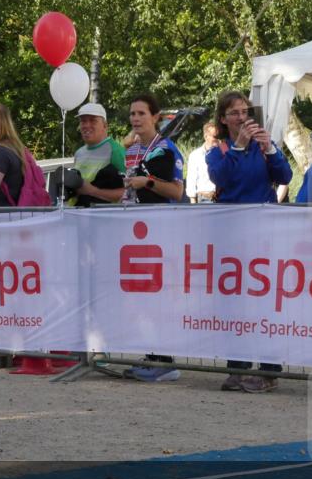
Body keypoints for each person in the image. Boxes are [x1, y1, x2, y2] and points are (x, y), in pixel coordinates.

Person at [207, 90, 293, 394]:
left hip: (264, 234)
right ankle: (237, 369)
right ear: (223, 118)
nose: (242, 117)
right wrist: (240, 147)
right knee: (234, 302)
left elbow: (285, 176)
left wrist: (269, 148)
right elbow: (221, 179)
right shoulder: (218, 150)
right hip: (232, 235)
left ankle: (270, 371)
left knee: (265, 301)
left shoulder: (262, 147)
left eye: (245, 111)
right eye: (234, 113)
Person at [120, 95, 185, 383]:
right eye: (132, 113)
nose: (135, 118)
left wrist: (146, 182)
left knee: (161, 296)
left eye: (141, 113)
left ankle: (167, 360)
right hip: (136, 232)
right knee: (143, 298)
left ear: (155, 116)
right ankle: (152, 354)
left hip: (162, 231)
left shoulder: (166, 149)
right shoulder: (131, 149)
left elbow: (176, 193)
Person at [67, 103, 126, 207]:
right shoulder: (79, 153)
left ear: (105, 125)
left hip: (104, 220)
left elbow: (128, 193)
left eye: (93, 120)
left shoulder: (115, 151)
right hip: (77, 218)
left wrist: (93, 191)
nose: (86, 125)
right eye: (83, 121)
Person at [186, 121, 218, 203]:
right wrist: (193, 206)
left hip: (224, 197)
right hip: (205, 198)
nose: (218, 139)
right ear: (206, 136)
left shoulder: (224, 150)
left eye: (219, 136)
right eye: (215, 136)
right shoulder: (195, 155)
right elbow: (191, 182)